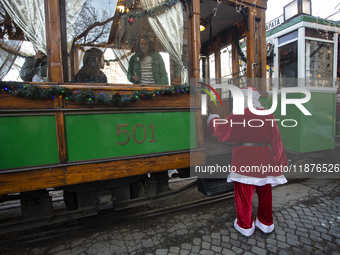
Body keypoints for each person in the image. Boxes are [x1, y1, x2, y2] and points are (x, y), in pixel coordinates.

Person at [207, 87, 288, 238]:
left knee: (244, 195)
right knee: (265, 194)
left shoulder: (238, 115)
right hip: (265, 157)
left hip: (244, 158)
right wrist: (281, 161)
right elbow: (276, 140)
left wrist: (213, 119)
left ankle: (245, 226)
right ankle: (266, 224)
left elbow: (220, 132)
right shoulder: (268, 115)